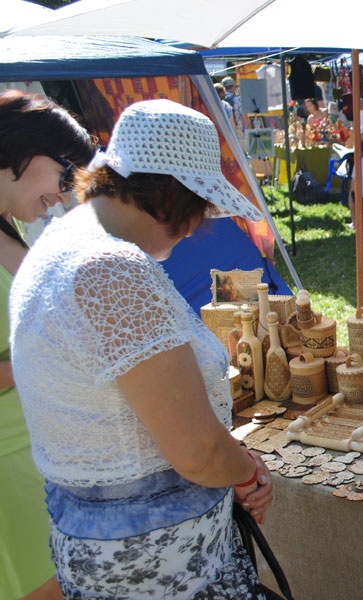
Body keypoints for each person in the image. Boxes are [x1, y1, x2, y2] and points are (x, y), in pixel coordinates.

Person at [9, 99, 274, 598]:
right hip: (161, 564)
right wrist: (247, 470)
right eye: (203, 208)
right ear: (175, 197)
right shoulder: (111, 270)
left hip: (104, 547)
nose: (201, 226)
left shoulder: (60, 240)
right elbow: (196, 452)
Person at [0, 90, 93, 600]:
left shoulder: (11, 221)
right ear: (25, 152)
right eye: (65, 176)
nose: (64, 194)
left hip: (35, 450)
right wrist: (52, 353)